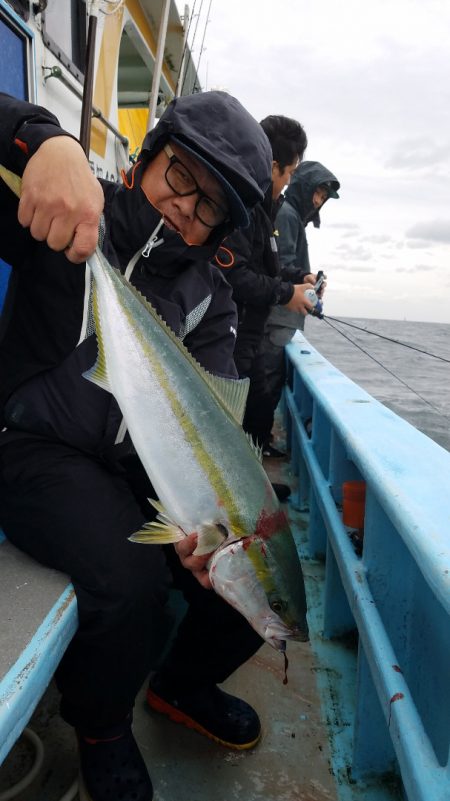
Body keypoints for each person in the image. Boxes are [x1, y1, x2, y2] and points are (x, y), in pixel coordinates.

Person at [0, 90, 273, 801]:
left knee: (250, 586)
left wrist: (215, 506)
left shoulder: (212, 298)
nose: (187, 206)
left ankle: (182, 685)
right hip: (36, 445)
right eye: (181, 175)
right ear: (146, 160)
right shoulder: (72, 209)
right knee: (133, 585)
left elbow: (218, 407)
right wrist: (41, 140)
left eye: (210, 205)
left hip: (136, 464)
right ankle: (101, 724)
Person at [214, 115, 314, 485]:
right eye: (288, 173)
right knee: (225, 426)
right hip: (229, 343)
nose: (288, 183)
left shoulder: (265, 211)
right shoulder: (243, 210)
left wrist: (296, 278)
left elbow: (265, 266)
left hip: (247, 342)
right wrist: (287, 294)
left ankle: (245, 486)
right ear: (273, 168)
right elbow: (234, 276)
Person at [263, 161, 340, 436]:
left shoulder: (292, 216)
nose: (318, 201)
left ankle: (261, 440)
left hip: (281, 319)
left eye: (323, 197)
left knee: (271, 383)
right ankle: (258, 442)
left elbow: (286, 266)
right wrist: (303, 283)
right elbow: (278, 266)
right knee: (266, 383)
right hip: (275, 319)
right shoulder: (287, 215)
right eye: (317, 193)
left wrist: (307, 279)